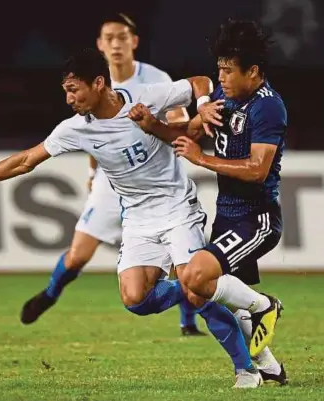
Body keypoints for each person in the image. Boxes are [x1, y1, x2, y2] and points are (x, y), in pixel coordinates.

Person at [0, 48, 265, 388]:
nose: (69, 98)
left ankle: (248, 368)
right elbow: (26, 160)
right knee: (136, 299)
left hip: (177, 207)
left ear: (99, 83)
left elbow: (199, 82)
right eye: (66, 92)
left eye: (74, 89)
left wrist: (204, 101)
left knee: (196, 288)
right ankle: (200, 294)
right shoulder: (75, 129)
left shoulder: (144, 97)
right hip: (137, 218)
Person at [22, 12, 203, 336]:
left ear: (134, 41)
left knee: (180, 258)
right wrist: (93, 172)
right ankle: (50, 293)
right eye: (109, 38)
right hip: (111, 179)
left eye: (122, 37)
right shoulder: (90, 85)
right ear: (99, 45)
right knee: (78, 255)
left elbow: (180, 125)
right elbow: (92, 137)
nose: (115, 44)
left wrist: (160, 125)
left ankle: (187, 321)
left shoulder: (153, 78)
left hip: (155, 176)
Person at [128, 19, 287, 385]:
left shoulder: (269, 107)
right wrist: (152, 124)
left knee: (197, 278)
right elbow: (187, 136)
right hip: (227, 216)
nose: (222, 77)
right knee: (204, 296)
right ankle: (267, 369)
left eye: (229, 71)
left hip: (257, 218)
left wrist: (203, 159)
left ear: (254, 71)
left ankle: (266, 305)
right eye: (219, 69)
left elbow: (257, 169)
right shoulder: (223, 98)